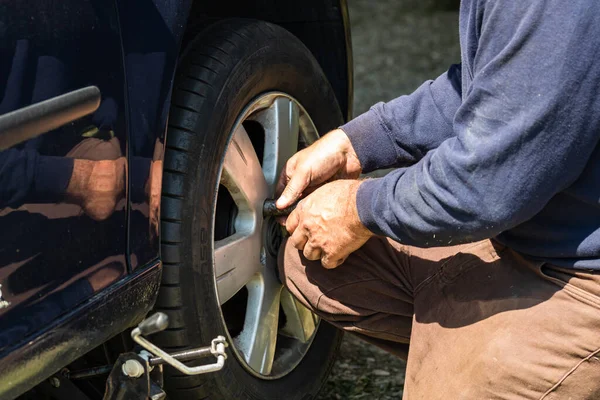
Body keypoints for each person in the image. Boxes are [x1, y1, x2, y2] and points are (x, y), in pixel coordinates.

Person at [275, 1, 600, 398]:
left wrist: (357, 209)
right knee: (314, 263)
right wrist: (360, 141)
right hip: (521, 230)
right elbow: (497, 86)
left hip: (583, 275)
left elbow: (487, 185)